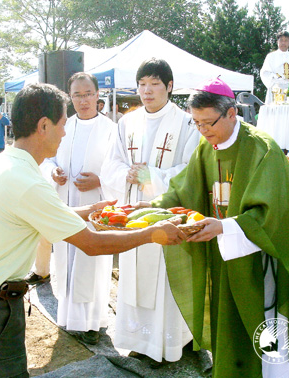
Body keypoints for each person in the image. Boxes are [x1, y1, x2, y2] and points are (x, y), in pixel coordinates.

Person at [0, 83, 186, 378]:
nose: (65, 132)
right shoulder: (27, 182)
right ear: (44, 126)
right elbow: (92, 244)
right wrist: (153, 233)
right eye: (61, 124)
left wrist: (94, 210)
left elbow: (45, 213)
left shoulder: (6, 164)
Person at [148, 77, 289, 377]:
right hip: (221, 256)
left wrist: (225, 227)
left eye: (208, 123)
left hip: (256, 255)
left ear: (231, 113)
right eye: (197, 124)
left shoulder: (262, 149)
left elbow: (275, 213)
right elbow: (182, 190)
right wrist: (150, 209)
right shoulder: (207, 148)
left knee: (261, 328)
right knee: (227, 325)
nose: (203, 132)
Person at [101, 58, 200, 366]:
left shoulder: (186, 123)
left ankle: (168, 343)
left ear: (169, 87)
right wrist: (125, 176)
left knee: (165, 278)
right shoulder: (127, 122)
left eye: (155, 84)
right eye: (142, 84)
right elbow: (111, 164)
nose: (147, 91)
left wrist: (152, 178)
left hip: (165, 213)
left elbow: (192, 170)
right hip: (133, 211)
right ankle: (138, 340)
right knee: (133, 274)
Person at [38, 72, 116, 345]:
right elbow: (46, 159)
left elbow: (118, 169)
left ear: (97, 95)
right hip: (65, 203)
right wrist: (53, 172)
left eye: (87, 94)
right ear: (69, 98)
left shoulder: (111, 129)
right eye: (77, 95)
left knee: (91, 263)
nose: (83, 100)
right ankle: (69, 317)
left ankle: (93, 321)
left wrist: (99, 180)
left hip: (95, 204)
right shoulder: (63, 126)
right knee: (65, 260)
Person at [260, 31, 289, 104]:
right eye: (281, 40)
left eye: (286, 40)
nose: (283, 43)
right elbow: (264, 72)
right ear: (277, 42)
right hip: (276, 89)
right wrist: (275, 77)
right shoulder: (271, 56)